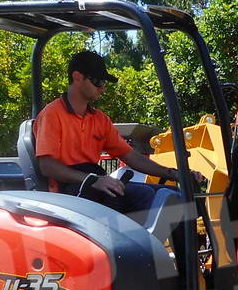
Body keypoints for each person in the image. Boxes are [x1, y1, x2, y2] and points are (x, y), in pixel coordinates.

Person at [34, 50, 185, 217]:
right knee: (146, 196)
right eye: (98, 81)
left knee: (176, 195)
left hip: (94, 184)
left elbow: (130, 156)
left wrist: (174, 173)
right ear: (77, 77)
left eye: (104, 83)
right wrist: (92, 179)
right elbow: (47, 166)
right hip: (67, 194)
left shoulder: (100, 120)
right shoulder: (52, 114)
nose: (102, 89)